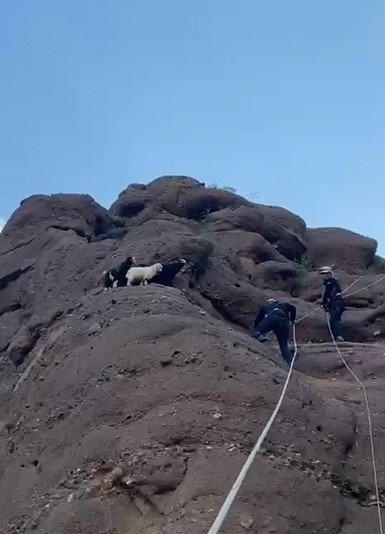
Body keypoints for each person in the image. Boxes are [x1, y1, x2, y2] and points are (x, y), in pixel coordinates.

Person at [252, 298, 296, 367]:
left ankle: (259, 335)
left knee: (257, 331)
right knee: (283, 344)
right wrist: (292, 320)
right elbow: (293, 308)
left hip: (271, 318)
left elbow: (258, 320)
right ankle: (289, 361)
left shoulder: (265, 307)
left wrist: (257, 328)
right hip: (283, 322)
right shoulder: (283, 305)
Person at [319, 266, 345, 342]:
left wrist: (324, 303)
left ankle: (338, 336)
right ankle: (337, 336)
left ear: (329, 274)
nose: (322, 276)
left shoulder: (330, 282)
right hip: (338, 303)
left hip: (336, 303)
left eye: (324, 274)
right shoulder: (333, 282)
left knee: (334, 320)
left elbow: (327, 294)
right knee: (335, 319)